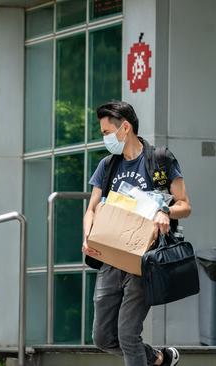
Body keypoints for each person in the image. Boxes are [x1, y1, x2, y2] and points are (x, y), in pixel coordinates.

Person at [83, 101, 191, 365]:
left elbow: (185, 206)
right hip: (110, 257)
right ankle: (156, 358)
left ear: (125, 127)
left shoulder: (160, 160)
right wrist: (87, 237)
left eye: (106, 132)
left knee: (128, 333)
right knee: (102, 337)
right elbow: (92, 210)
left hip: (144, 259)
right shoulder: (107, 166)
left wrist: (165, 210)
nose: (104, 138)